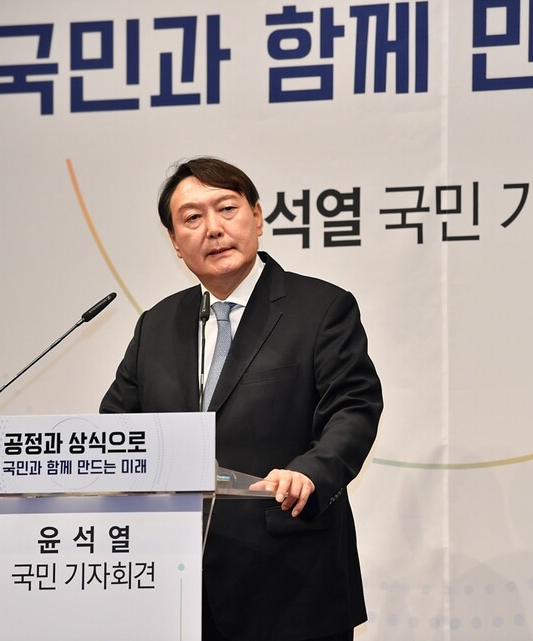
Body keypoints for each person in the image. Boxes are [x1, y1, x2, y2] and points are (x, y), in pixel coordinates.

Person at [100, 157, 383, 641]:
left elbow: (352, 409)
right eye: (192, 218)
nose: (213, 228)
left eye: (227, 209)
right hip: (178, 587)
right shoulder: (156, 325)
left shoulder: (320, 308)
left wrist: (309, 473)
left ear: (257, 215)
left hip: (290, 580)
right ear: (175, 242)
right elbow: (116, 430)